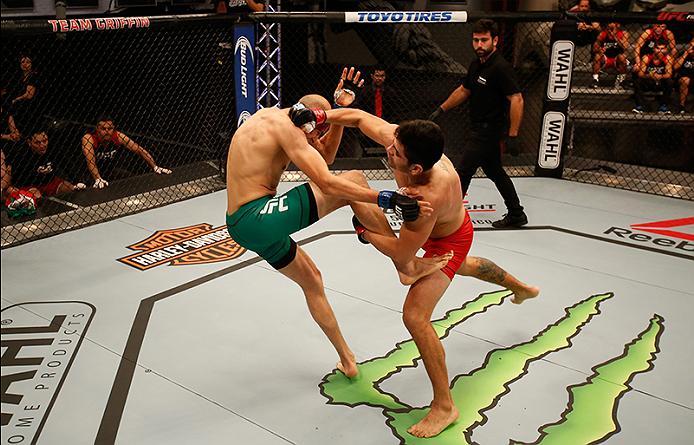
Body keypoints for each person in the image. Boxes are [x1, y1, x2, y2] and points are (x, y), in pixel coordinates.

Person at [308, 106, 539, 438]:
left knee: (415, 314)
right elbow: (358, 118)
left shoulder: (427, 195)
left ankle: (445, 406)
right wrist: (319, 117)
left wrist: (364, 232)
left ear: (415, 167)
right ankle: (520, 288)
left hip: (449, 237)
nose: (389, 149)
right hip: (439, 228)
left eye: (396, 153)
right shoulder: (402, 141)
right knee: (466, 266)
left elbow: (403, 254)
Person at [225, 68, 447, 380]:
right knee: (353, 179)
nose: (318, 137)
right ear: (306, 122)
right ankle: (405, 264)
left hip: (246, 225)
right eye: (317, 130)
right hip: (256, 216)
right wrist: (385, 198)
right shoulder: (284, 127)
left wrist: (336, 110)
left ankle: (347, 359)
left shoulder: (292, 122)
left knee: (312, 279)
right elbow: (328, 182)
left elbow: (326, 157)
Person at [428, 19, 528, 229]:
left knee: (462, 172)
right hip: (478, 128)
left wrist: (513, 135)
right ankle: (517, 213)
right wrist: (441, 109)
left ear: (495, 41)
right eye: (476, 40)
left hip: (489, 130)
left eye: (484, 40)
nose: (479, 45)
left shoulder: (501, 67)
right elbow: (464, 90)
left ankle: (449, 219)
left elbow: (516, 99)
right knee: (495, 172)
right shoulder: (476, 65)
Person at [81, 117, 171, 188]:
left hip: (110, 171)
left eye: (110, 128)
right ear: (97, 129)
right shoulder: (89, 138)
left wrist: (155, 166)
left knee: (131, 179)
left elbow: (138, 149)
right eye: (103, 128)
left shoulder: (117, 136)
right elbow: (91, 161)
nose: (107, 131)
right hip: (89, 175)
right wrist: (98, 178)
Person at [4, 130, 86, 202]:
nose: (42, 145)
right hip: (30, 186)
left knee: (70, 188)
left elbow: (67, 164)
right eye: (37, 143)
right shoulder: (21, 154)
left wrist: (77, 181)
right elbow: (12, 178)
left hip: (50, 182)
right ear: (29, 142)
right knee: (38, 198)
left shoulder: (53, 148)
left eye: (45, 140)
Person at [633, 41, 673, 114]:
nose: (660, 51)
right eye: (658, 48)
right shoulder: (647, 57)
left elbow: (669, 74)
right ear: (654, 49)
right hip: (648, 82)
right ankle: (639, 106)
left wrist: (660, 76)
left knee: (669, 81)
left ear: (666, 50)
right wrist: (650, 75)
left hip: (661, 82)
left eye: (662, 49)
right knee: (638, 80)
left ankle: (663, 106)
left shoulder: (668, 58)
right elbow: (641, 74)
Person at [592, 22, 630, 88]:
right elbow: (594, 49)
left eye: (612, 23)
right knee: (597, 56)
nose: (609, 25)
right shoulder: (603, 34)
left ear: (617, 25)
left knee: (623, 57)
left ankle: (621, 81)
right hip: (606, 58)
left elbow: (625, 47)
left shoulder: (623, 33)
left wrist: (615, 37)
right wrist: (599, 49)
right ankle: (595, 80)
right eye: (609, 23)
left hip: (617, 58)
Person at [673, 37, 693, 114]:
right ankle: (682, 106)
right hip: (682, 79)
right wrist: (686, 54)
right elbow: (675, 67)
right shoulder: (683, 53)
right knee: (686, 80)